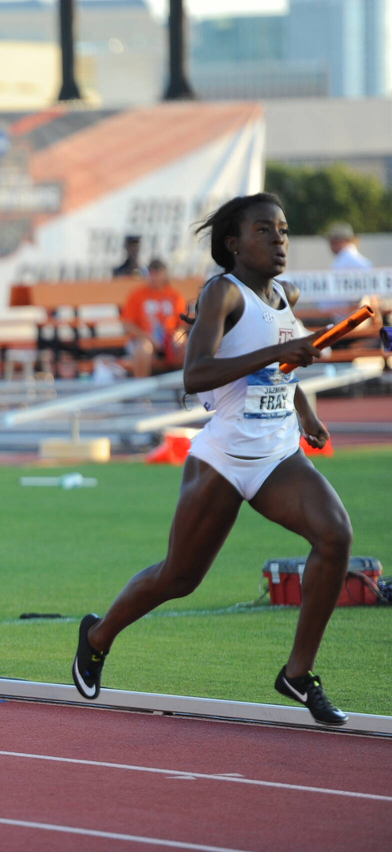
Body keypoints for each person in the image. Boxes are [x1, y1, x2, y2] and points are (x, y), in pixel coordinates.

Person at [73, 193, 352, 726]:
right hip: (224, 456)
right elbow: (195, 375)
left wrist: (306, 412)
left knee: (335, 535)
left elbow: (283, 365)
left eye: (285, 231)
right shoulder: (222, 293)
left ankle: (297, 673)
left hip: (277, 453)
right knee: (180, 577)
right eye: (265, 231)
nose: (279, 241)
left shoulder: (285, 293)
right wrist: (278, 354)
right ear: (233, 242)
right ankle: (98, 634)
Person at [120, 259, 187, 378]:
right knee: (143, 349)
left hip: (169, 339)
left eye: (158, 272)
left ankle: (184, 387)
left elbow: (182, 323)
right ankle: (141, 392)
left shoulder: (174, 295)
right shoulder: (137, 295)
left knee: (186, 345)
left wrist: (178, 334)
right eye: (152, 272)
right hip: (143, 338)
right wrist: (147, 337)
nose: (155, 277)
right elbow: (127, 324)